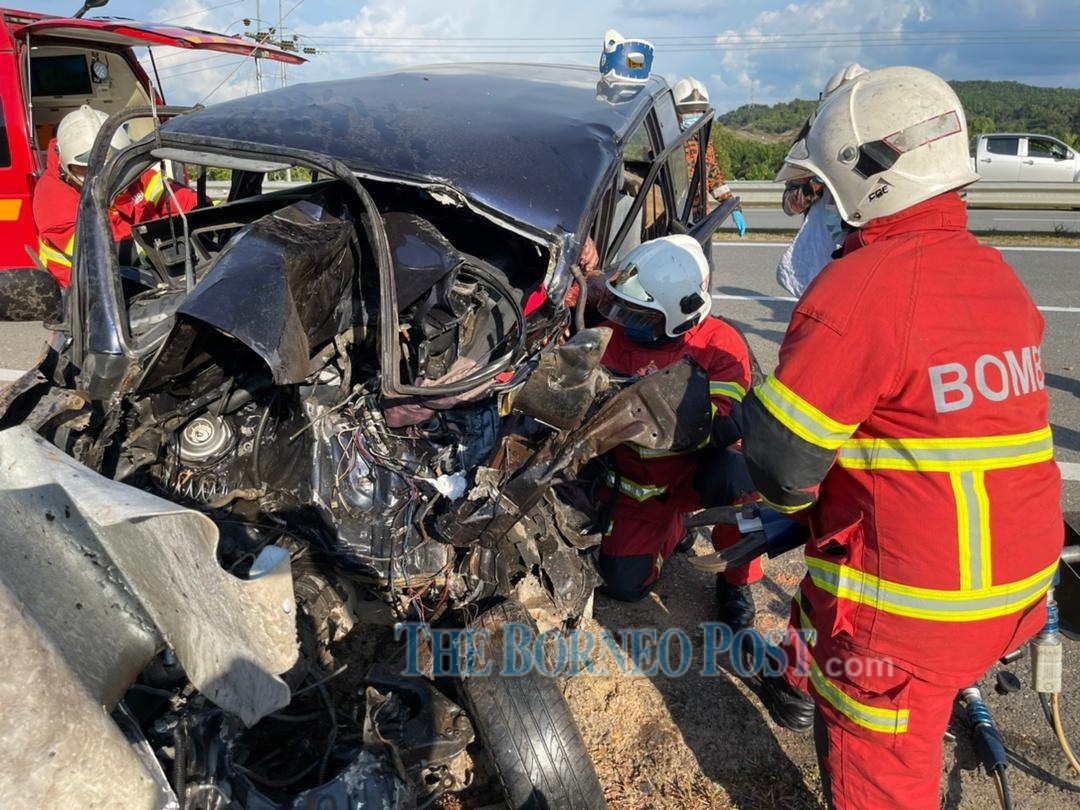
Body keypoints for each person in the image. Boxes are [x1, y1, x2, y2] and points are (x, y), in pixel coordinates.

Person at [741, 66, 1063, 808]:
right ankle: (794, 677)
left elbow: (784, 474)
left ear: (862, 179)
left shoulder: (857, 292)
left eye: (824, 189)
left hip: (911, 629)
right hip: (1018, 594)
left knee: (879, 777)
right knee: (819, 589)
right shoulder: (999, 279)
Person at [595, 234, 763, 628]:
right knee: (624, 585)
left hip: (694, 473)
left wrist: (632, 406)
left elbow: (723, 421)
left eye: (640, 316)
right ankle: (675, 529)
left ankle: (735, 581)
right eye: (623, 310)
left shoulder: (719, 345)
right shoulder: (612, 336)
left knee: (739, 478)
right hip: (639, 488)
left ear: (681, 314)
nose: (624, 323)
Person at [33, 104, 197, 287]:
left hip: (141, 273)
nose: (105, 176)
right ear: (66, 167)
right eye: (88, 169)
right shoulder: (53, 200)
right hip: (87, 289)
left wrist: (205, 213)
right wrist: (168, 241)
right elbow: (102, 251)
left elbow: (173, 196)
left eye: (112, 166)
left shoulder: (127, 172)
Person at [672, 77, 746, 238]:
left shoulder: (703, 140)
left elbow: (713, 177)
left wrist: (732, 205)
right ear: (675, 113)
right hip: (674, 220)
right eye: (688, 112)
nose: (694, 116)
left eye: (699, 112)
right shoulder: (666, 143)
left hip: (700, 218)